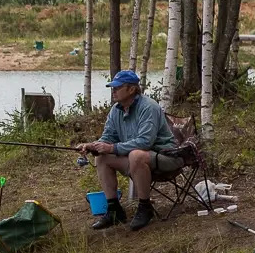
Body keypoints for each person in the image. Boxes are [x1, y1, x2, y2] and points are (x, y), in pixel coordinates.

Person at [77, 69, 180, 231]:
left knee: (136, 154)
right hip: (138, 160)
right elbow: (108, 137)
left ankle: (145, 207)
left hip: (166, 157)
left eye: (117, 88)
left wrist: (111, 148)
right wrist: (92, 145)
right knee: (102, 157)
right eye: (113, 88)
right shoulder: (115, 110)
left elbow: (145, 142)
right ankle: (114, 210)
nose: (114, 91)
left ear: (132, 89)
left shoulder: (148, 107)